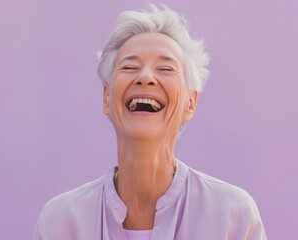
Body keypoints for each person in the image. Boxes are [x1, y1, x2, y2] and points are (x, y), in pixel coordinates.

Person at [33, 4, 266, 240]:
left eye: (165, 68)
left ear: (190, 103)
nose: (145, 77)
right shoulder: (60, 221)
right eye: (130, 67)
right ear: (106, 97)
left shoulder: (232, 216)